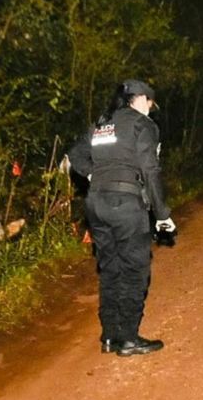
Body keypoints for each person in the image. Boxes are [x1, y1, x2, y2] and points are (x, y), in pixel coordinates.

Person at [68, 80, 176, 356]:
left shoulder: (102, 123)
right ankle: (128, 338)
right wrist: (162, 214)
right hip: (126, 204)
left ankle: (109, 335)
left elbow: (75, 154)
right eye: (150, 103)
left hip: (96, 203)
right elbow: (150, 170)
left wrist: (94, 173)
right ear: (141, 99)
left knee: (110, 268)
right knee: (134, 270)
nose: (150, 109)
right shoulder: (142, 125)